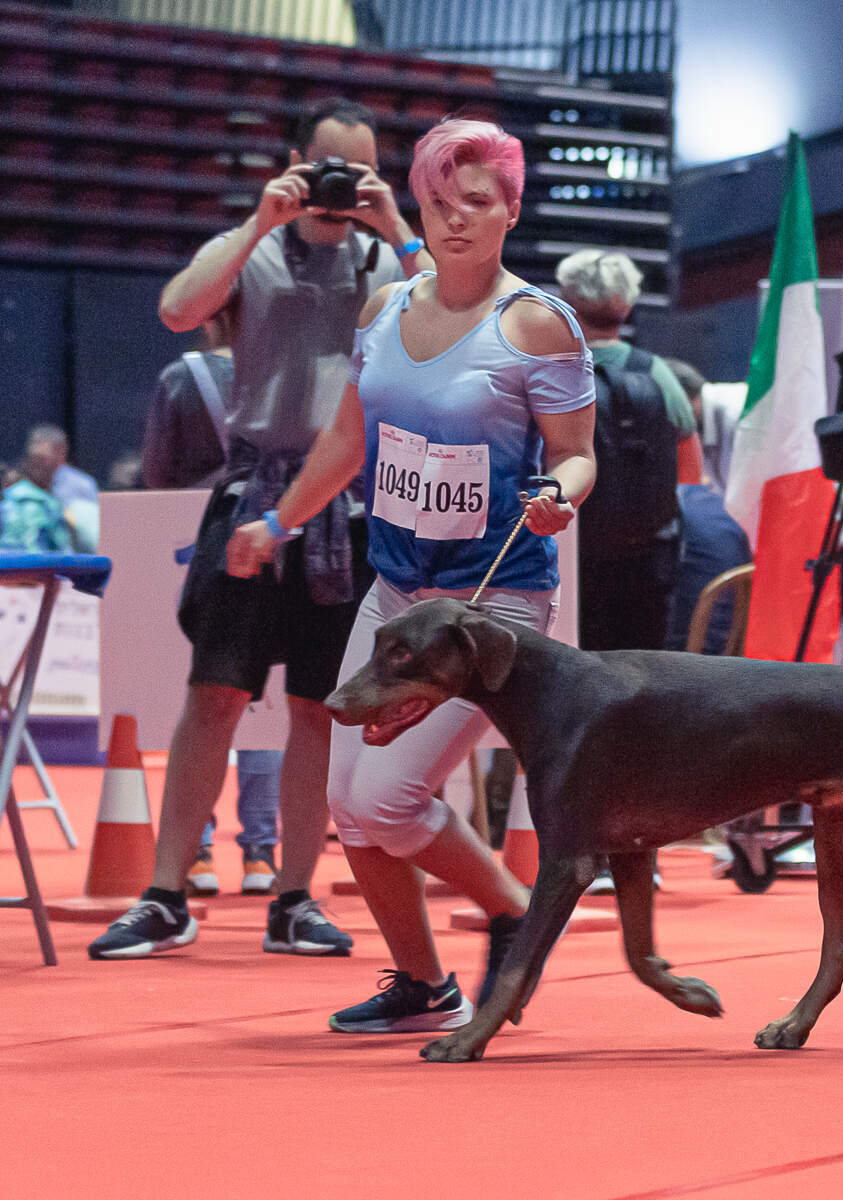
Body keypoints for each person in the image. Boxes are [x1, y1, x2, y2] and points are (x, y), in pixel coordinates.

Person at [227, 117, 597, 1033]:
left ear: (511, 210)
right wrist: (276, 522)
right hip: (396, 598)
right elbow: (347, 441)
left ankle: (517, 910)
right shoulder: (382, 311)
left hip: (490, 610)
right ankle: (426, 986)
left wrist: (559, 494)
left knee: (388, 797)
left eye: (476, 201)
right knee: (349, 809)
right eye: (438, 202)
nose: (455, 218)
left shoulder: (538, 325)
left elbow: (577, 453)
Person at [88, 97, 426, 961]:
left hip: (346, 509)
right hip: (251, 499)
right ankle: (167, 895)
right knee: (214, 696)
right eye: (327, 168)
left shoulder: (387, 264)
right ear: (294, 161)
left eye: (359, 171)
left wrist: (398, 226)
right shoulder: (257, 247)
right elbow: (178, 309)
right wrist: (258, 221)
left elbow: (447, 326)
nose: (339, 188)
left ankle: (294, 898)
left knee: (319, 709)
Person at [138, 301, 284, 897]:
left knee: (206, 697)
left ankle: (195, 852)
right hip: (276, 534)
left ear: (207, 317)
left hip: (204, 538)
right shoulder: (288, 374)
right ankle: (260, 854)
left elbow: (157, 473)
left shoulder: (183, 378)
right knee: (263, 701)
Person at [553, 248, 699, 656]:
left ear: (566, 301)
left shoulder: (553, 372)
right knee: (639, 666)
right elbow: (691, 472)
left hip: (571, 558)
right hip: (647, 562)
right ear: (629, 304)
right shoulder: (657, 372)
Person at [140, 302, 237, 491]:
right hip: (275, 504)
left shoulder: (181, 376)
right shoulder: (281, 377)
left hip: (200, 504)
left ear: (208, 322)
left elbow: (156, 474)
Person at [25, 425, 99, 551]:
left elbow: (93, 530)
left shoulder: (82, 484)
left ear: (61, 452)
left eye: (43, 458)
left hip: (72, 554)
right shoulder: (21, 483)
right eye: (34, 458)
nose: (37, 464)